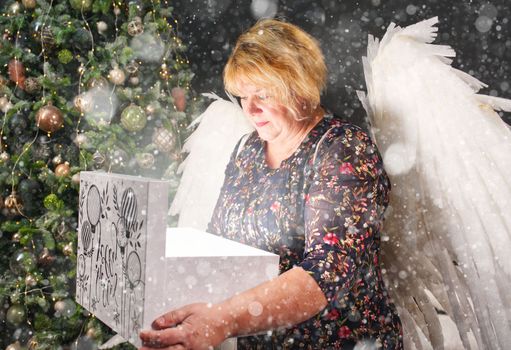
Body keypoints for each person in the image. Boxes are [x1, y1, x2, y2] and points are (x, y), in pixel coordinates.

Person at [140, 18, 403, 350]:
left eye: (262, 94)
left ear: (299, 85)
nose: (250, 108)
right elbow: (221, 246)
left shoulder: (343, 148)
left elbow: (325, 272)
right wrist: (177, 318)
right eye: (243, 95)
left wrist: (221, 320)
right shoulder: (249, 149)